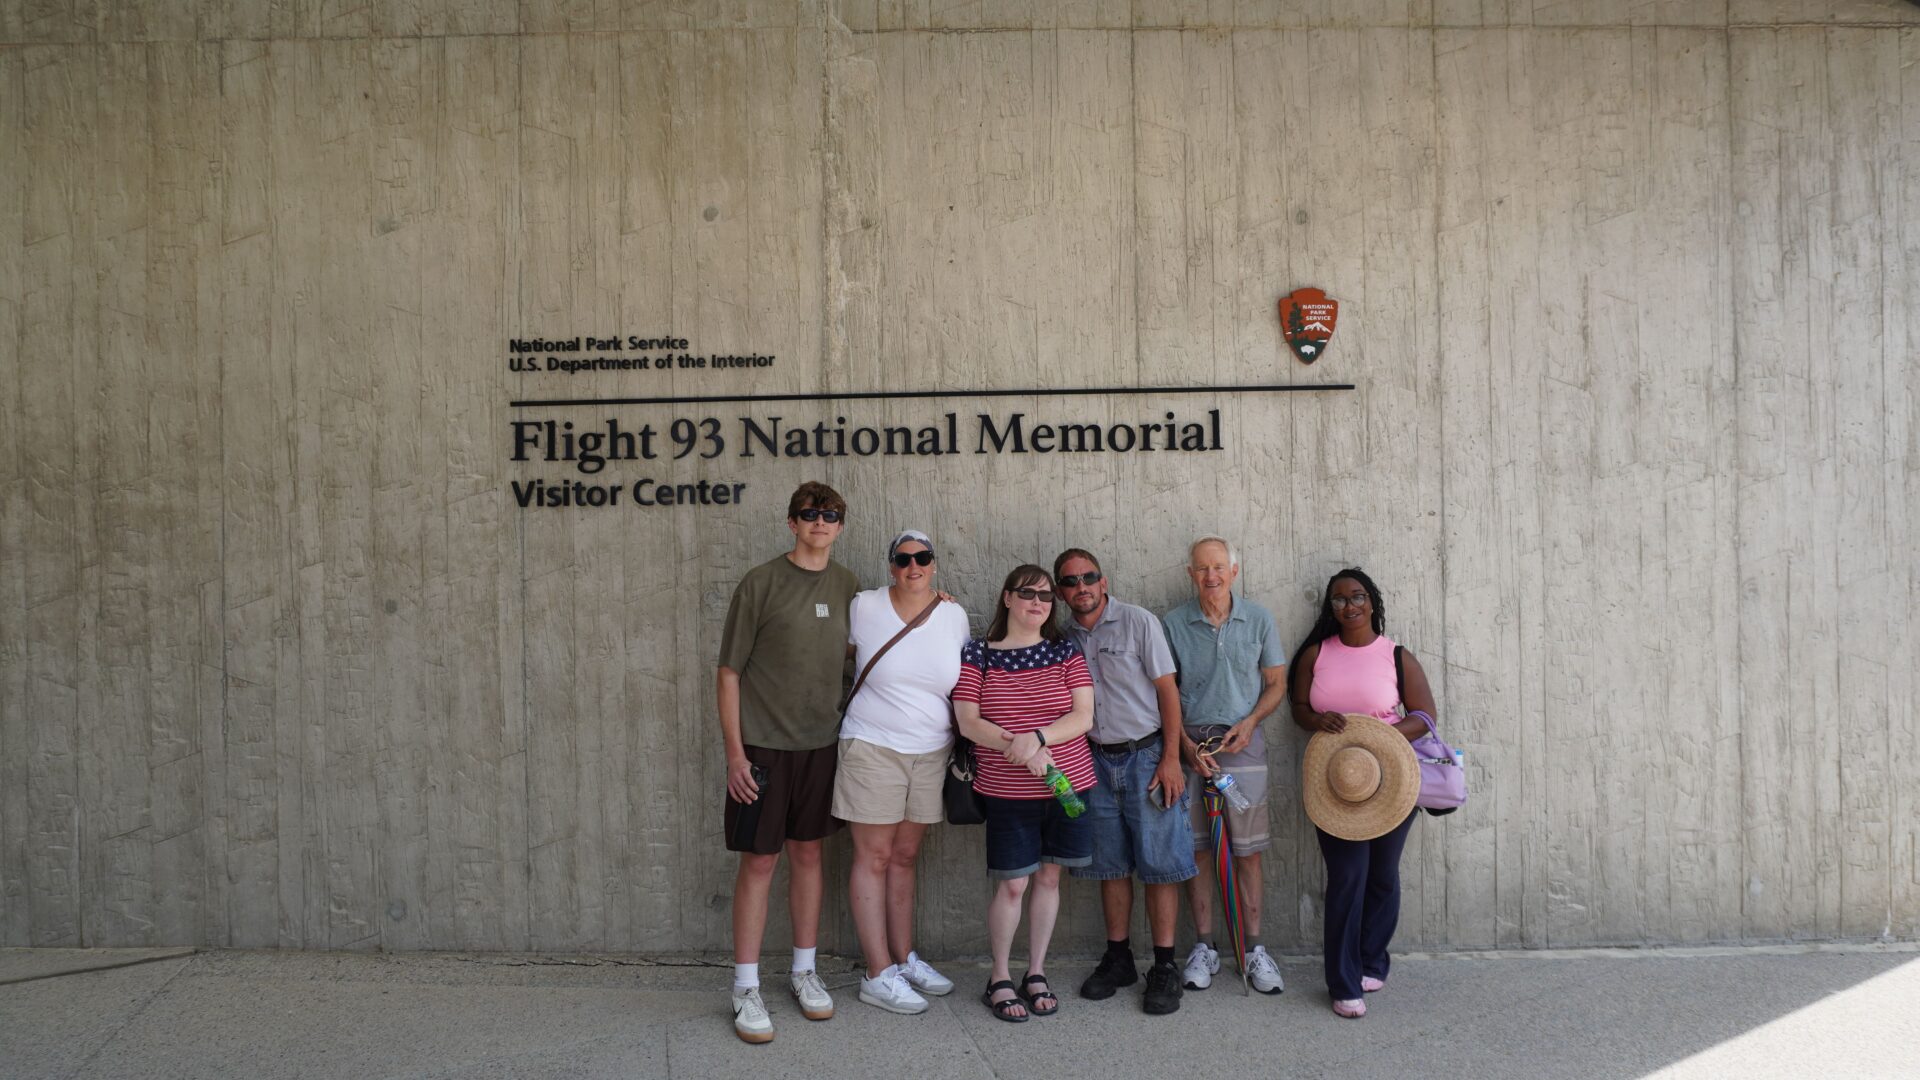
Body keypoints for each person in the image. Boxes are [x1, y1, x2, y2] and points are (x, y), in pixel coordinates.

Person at [716, 481, 860, 1044]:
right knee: (759, 862)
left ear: (840, 525)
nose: (820, 521)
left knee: (809, 857)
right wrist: (735, 754)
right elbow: (728, 673)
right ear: (792, 523)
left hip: (822, 745)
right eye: (809, 513)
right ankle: (745, 986)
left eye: (830, 514)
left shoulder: (849, 585)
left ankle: (804, 971)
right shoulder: (760, 583)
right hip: (763, 750)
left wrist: (936, 605)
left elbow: (879, 632)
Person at [1288, 567, 1437, 1019]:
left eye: (1357, 597)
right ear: (1329, 607)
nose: (1348, 606)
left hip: (1392, 776)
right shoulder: (1316, 653)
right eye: (1338, 599)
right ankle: (1343, 981)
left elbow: (1426, 715)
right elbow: (1298, 708)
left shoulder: (1396, 655)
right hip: (1336, 780)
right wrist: (1318, 721)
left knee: (1382, 876)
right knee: (1347, 877)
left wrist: (1383, 735)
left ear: (1372, 601)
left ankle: (1373, 959)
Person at [952, 564, 1097, 1022]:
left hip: (1067, 783)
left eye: (1046, 595)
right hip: (1006, 790)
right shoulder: (980, 652)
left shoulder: (1064, 650)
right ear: (1007, 598)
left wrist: (1036, 738)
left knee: (1050, 879)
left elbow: (1082, 717)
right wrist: (1019, 746)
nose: (1038, 602)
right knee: (1014, 882)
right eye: (1027, 593)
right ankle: (999, 976)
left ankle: (1035, 972)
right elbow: (968, 721)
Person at [834, 530, 971, 1015]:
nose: (914, 566)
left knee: (905, 857)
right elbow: (835, 653)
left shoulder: (953, 614)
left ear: (934, 563)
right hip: (873, 746)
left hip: (932, 752)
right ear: (891, 565)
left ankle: (902, 957)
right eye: (904, 559)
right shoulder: (864, 606)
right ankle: (877, 972)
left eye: (923, 557)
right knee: (873, 857)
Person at [1054, 548, 1195, 1015]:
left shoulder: (1138, 622)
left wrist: (1171, 758)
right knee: (1110, 864)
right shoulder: (1063, 638)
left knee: (1159, 863)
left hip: (1146, 756)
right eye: (1071, 582)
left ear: (1104, 580)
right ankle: (1119, 959)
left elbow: (1167, 691)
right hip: (1091, 761)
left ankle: (1165, 966)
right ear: (1060, 591)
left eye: (1088, 577)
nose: (1082, 587)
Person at [1161, 536, 1290, 995]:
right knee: (1196, 851)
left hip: (1243, 747)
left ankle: (1253, 950)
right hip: (1192, 750)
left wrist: (1252, 721)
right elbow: (1165, 690)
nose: (1210, 576)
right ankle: (1204, 947)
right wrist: (1182, 747)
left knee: (1247, 851)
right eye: (1201, 569)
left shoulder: (1258, 619)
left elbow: (1276, 682)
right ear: (1190, 573)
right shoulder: (1172, 623)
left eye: (1218, 567)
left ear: (1234, 571)